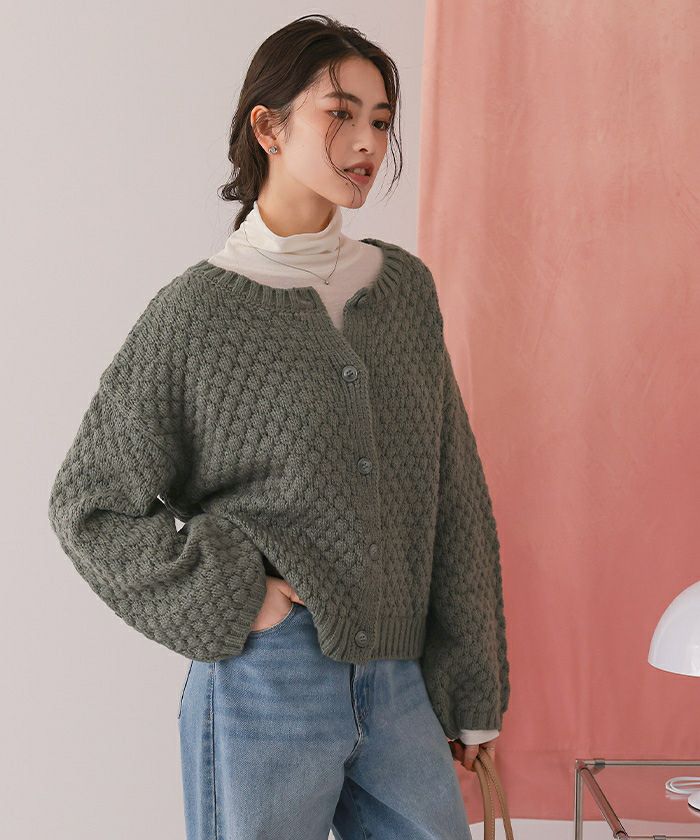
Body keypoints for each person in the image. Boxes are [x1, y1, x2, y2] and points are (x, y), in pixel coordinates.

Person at [47, 14, 509, 840]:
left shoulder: (404, 291)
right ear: (268, 127)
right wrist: (238, 593)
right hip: (266, 682)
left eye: (380, 120)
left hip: (399, 680)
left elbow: (455, 494)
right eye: (341, 113)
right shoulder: (199, 313)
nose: (367, 142)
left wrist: (470, 686)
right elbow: (90, 504)